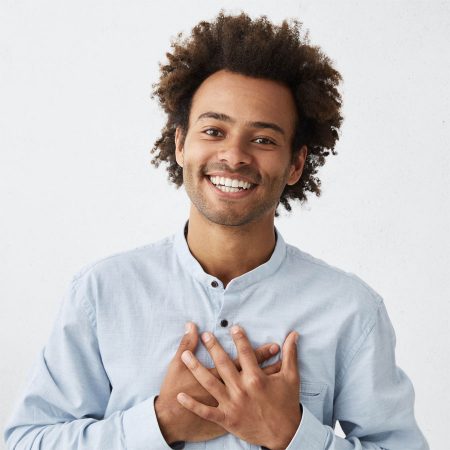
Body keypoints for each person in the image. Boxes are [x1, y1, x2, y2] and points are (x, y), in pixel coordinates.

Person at [4, 11, 429, 450]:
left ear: (296, 164)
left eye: (263, 139)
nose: (235, 155)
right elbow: (25, 442)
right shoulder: (100, 293)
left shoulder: (351, 310)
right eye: (214, 130)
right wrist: (159, 424)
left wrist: (294, 436)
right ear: (181, 143)